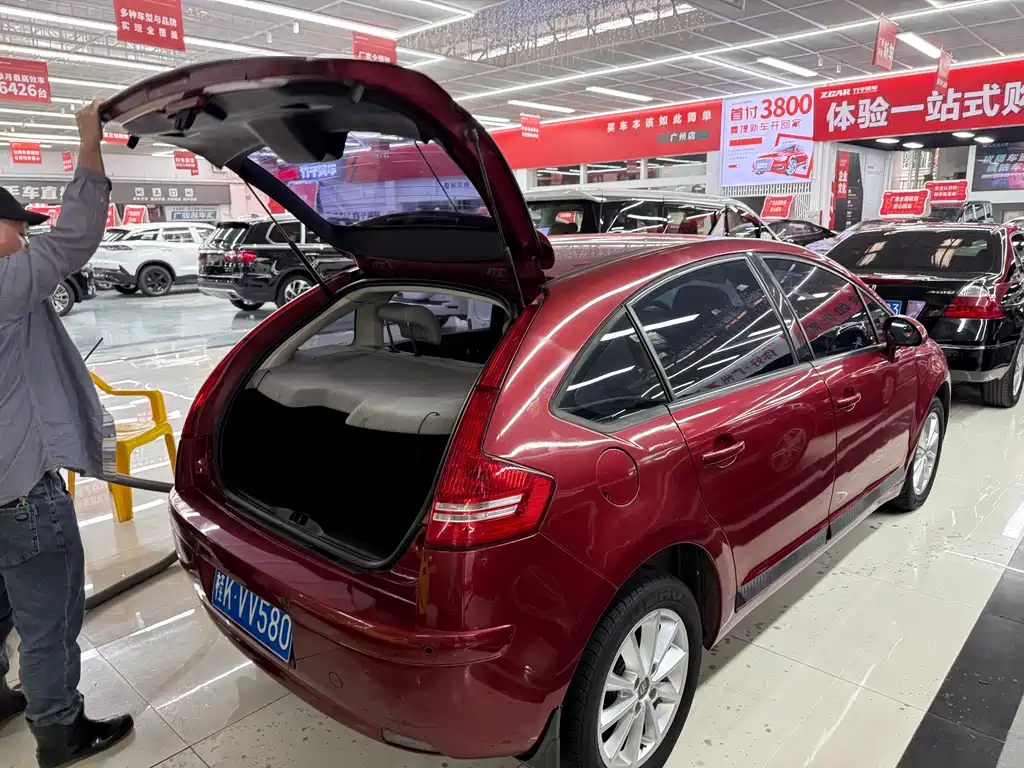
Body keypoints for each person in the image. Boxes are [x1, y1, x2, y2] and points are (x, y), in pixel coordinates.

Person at [0, 101, 134, 767]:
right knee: (47, 620)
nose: (26, 237)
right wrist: (89, 142)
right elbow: (76, 236)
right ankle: (59, 732)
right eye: (16, 227)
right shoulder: (4, 284)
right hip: (21, 492)